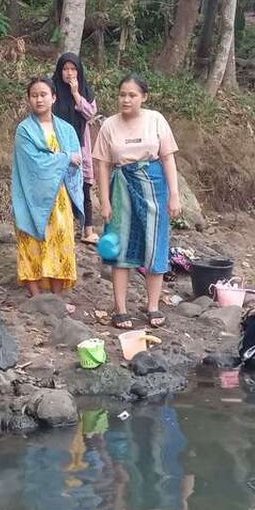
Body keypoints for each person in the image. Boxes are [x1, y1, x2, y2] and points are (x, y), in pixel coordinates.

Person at [92, 74, 181, 329]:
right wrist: (104, 201)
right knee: (120, 246)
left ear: (144, 97)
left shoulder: (156, 120)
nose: (126, 99)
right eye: (122, 95)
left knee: (156, 243)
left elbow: (167, 158)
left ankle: (152, 306)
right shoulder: (109, 125)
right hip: (121, 187)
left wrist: (174, 195)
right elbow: (103, 165)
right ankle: (120, 309)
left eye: (132, 95)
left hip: (154, 185)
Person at [12, 77, 83, 306]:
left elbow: (78, 161)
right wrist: (65, 158)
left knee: (60, 241)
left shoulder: (66, 130)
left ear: (53, 97)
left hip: (59, 196)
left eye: (43, 94)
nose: (39, 99)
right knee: (31, 240)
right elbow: (33, 163)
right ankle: (36, 297)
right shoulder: (24, 130)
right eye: (34, 95)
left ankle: (56, 297)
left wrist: (68, 160)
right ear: (29, 99)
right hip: (30, 195)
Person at [52, 52, 99, 244]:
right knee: (60, 188)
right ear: (60, 71)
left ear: (79, 71)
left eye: (73, 69)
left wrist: (75, 93)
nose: (69, 73)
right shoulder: (52, 90)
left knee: (84, 186)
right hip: (59, 146)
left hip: (81, 145)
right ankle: (64, 229)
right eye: (65, 69)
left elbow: (90, 113)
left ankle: (88, 230)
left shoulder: (85, 91)